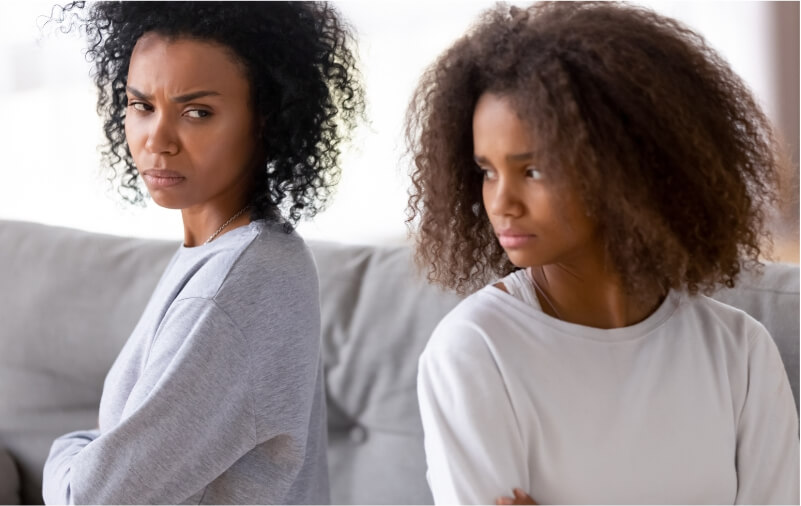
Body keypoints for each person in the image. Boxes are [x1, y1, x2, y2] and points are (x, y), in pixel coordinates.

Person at [405, 2, 799, 504]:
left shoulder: (738, 352)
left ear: (624, 168)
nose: (501, 202)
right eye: (487, 170)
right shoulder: (475, 351)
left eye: (533, 170)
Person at [41, 2, 363, 504]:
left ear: (266, 119)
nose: (158, 140)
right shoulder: (245, 251)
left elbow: (95, 497)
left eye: (197, 112)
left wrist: (65, 450)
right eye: (141, 105)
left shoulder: (235, 287)